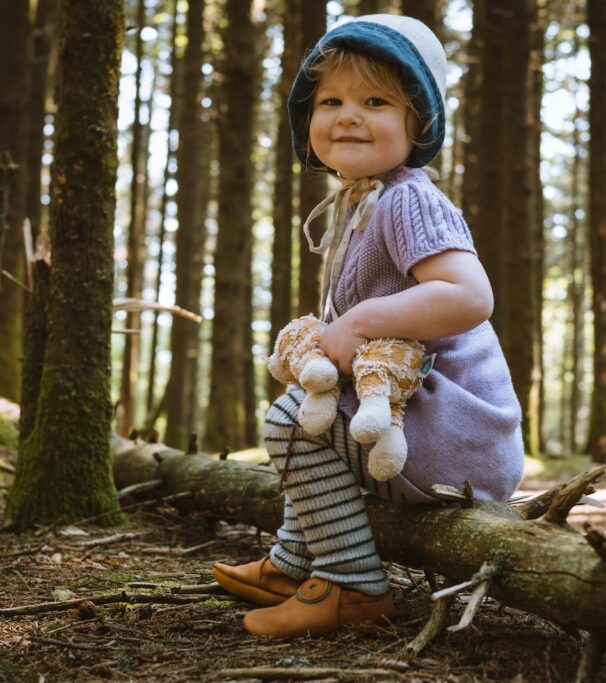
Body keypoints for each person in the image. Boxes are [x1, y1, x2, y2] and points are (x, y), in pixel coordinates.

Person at [213, 13, 524, 639]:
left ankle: (351, 586)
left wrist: (361, 321)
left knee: (291, 423)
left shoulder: (409, 198)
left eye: (375, 100)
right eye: (332, 100)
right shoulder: (362, 202)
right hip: (416, 418)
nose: (349, 115)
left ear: (419, 123)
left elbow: (469, 296)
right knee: (310, 412)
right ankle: (295, 563)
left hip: (453, 429)